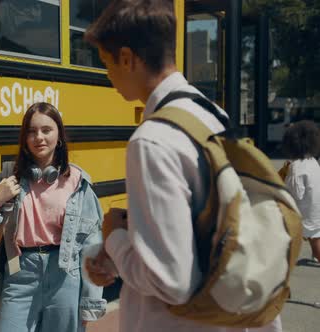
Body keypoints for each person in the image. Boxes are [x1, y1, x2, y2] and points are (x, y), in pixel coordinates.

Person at [83, 1, 281, 331]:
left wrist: (115, 238)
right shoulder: (212, 115)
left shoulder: (151, 140)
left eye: (107, 63)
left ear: (129, 59)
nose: (109, 76)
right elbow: (199, 237)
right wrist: (124, 253)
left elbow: (172, 282)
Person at [0, 102, 106, 332]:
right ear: (25, 139)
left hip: (65, 274)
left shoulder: (77, 182)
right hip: (20, 272)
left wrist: (89, 302)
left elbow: (92, 246)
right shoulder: (9, 177)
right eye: (32, 131)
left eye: (46, 130)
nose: (39, 137)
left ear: (59, 136)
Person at [282, 120, 320, 263]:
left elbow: (296, 194)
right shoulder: (313, 161)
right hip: (316, 208)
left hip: (304, 212)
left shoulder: (296, 166)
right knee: (315, 238)